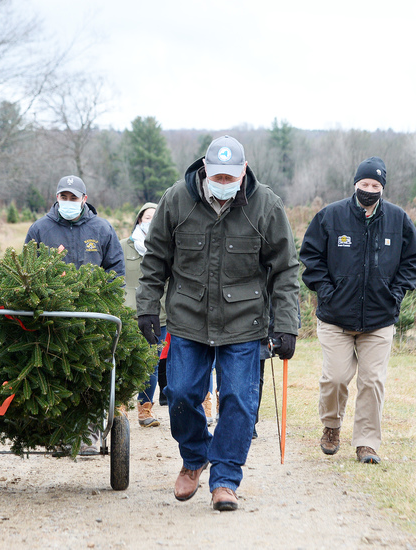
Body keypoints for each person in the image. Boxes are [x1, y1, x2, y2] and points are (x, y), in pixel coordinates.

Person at [136, 135, 299, 512]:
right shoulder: (177, 199)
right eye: (217, 176)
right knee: (179, 394)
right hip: (189, 318)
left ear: (243, 172)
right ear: (204, 168)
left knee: (240, 401)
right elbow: (155, 259)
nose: (223, 184)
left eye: (230, 177)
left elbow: (286, 270)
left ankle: (225, 479)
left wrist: (286, 325)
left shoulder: (266, 205)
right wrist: (148, 307)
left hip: (245, 322)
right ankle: (194, 458)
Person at [299, 157, 416, 465]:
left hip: (380, 319)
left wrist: (396, 296)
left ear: (383, 188)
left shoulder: (398, 219)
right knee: (337, 378)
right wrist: (326, 293)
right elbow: (310, 257)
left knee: (372, 381)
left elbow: (413, 259)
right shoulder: (330, 216)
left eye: (376, 186)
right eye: (365, 184)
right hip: (335, 317)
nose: (370, 190)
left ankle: (367, 443)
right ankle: (331, 425)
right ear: (355, 184)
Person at [25, 175, 125, 453]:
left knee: (90, 375)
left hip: (91, 318)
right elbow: (27, 270)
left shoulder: (102, 229)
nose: (68, 202)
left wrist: (108, 300)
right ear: (57, 198)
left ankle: (88, 435)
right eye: (63, 197)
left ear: (85, 199)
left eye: (74, 197)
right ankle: (54, 433)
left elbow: (116, 270)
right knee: (53, 374)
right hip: (50, 320)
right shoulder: (40, 229)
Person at [121, 202, 166, 428]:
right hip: (128, 316)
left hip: (159, 316)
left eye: (156, 217)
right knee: (123, 360)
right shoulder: (122, 247)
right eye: (147, 217)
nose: (151, 221)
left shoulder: (166, 249)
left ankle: (144, 409)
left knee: (151, 364)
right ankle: (120, 406)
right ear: (139, 220)